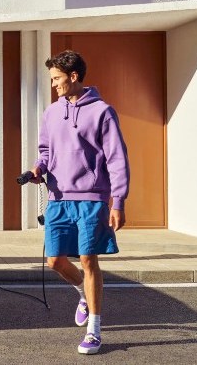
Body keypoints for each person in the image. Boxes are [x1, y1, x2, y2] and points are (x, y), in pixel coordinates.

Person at [30, 50, 130, 355]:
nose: (54, 85)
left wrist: (119, 201)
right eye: (52, 79)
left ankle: (94, 331)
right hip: (58, 199)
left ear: (74, 77)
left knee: (89, 260)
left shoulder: (102, 111)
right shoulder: (51, 112)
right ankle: (83, 295)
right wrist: (38, 168)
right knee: (55, 261)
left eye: (57, 78)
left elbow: (117, 158)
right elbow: (45, 151)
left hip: (91, 199)